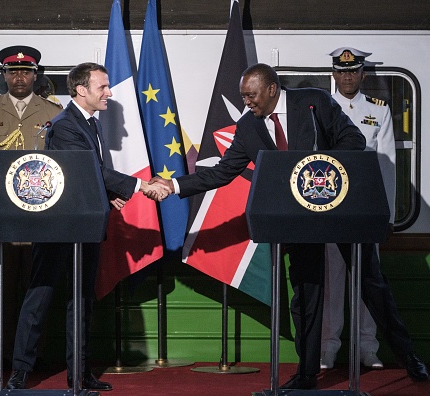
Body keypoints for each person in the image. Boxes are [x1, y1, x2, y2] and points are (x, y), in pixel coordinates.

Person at [149, 63, 367, 390]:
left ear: (271, 89)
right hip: (293, 223)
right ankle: (307, 374)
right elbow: (222, 173)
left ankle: (408, 358)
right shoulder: (248, 127)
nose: (246, 102)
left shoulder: (312, 103)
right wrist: (174, 186)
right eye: (242, 97)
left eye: (250, 95)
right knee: (305, 297)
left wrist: (326, 172)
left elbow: (354, 139)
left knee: (372, 287)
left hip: (339, 213)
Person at [6, 62, 166, 390]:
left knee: (81, 300)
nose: (108, 93)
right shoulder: (66, 125)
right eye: (102, 87)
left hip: (86, 223)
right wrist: (139, 186)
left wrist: (106, 194)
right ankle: (19, 373)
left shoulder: (88, 122)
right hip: (58, 227)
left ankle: (79, 373)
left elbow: (79, 175)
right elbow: (89, 167)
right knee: (41, 296)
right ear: (81, 90)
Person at [0, 45, 63, 365]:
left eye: (26, 72)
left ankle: (39, 358)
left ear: (36, 76)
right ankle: (5, 359)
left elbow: (61, 168)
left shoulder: (53, 112)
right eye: (13, 72)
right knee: (4, 294)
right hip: (3, 223)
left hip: (42, 223)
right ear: (3, 76)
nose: (19, 77)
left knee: (41, 292)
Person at [320, 47, 395, 370]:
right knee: (332, 284)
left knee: (367, 281)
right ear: (334, 74)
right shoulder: (322, 107)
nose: (347, 76)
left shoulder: (379, 111)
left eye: (353, 71)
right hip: (330, 211)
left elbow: (387, 165)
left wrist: (387, 215)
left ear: (362, 74)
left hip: (365, 211)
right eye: (341, 71)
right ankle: (327, 349)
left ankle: (368, 348)